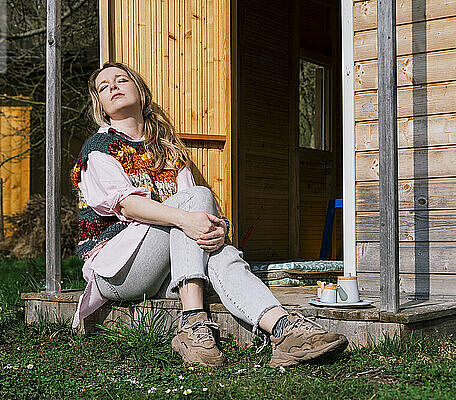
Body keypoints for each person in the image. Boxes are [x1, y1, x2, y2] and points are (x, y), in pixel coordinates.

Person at [69, 61, 348, 368]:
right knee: (197, 200)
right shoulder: (98, 149)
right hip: (120, 270)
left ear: (140, 91)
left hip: (165, 267)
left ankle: (283, 329)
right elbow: (127, 206)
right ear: (101, 105)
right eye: (104, 87)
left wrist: (217, 229)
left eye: (121, 80)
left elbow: (194, 212)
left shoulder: (167, 150)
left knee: (220, 253)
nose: (114, 87)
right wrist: (188, 220)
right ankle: (192, 320)